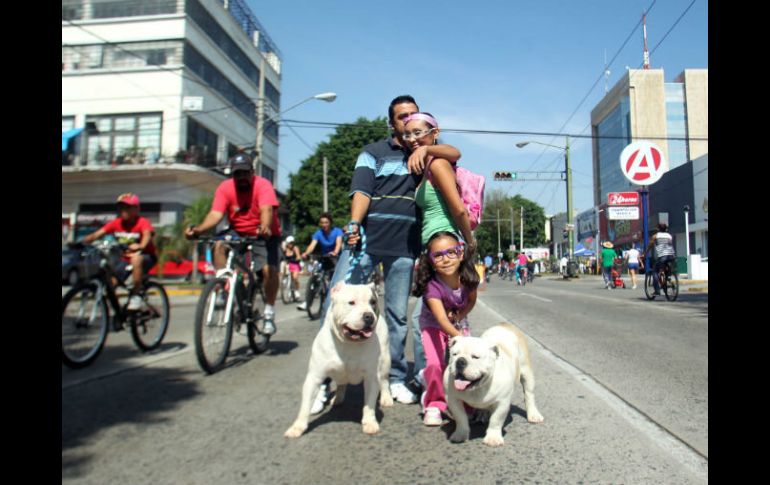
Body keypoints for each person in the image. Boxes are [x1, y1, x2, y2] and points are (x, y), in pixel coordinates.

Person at [312, 95, 463, 413]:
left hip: (404, 248)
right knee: (334, 305)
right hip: (366, 243)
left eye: (413, 115)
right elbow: (362, 192)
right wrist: (354, 224)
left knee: (396, 317)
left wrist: (427, 148)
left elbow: (454, 153)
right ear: (391, 122)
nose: (408, 122)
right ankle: (325, 382)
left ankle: (394, 377)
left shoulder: (425, 153)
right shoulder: (373, 153)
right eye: (401, 117)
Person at [404, 111, 477, 414]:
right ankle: (452, 395)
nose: (412, 139)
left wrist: (469, 243)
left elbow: (458, 208)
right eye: (407, 134)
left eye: (418, 132)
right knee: (445, 317)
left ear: (434, 132)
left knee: (432, 320)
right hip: (431, 251)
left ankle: (443, 396)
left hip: (444, 248)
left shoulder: (437, 162)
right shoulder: (423, 166)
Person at [185, 153, 282, 335]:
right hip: (238, 230)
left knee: (269, 271)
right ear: (232, 175)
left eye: (245, 173)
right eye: (238, 174)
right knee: (219, 244)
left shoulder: (263, 185)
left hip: (264, 232)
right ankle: (223, 284)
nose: (241, 178)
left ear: (252, 172)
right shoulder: (225, 188)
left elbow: (266, 210)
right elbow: (215, 215)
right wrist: (197, 230)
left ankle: (269, 312)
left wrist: (265, 226)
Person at [412, 231, 479, 425]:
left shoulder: (469, 278)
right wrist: (461, 337)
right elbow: (441, 319)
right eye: (438, 255)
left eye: (451, 252)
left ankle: (466, 401)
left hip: (458, 323)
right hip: (432, 325)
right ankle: (434, 403)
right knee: (435, 364)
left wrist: (460, 316)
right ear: (431, 261)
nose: (446, 259)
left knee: (464, 362)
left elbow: (471, 302)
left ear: (460, 254)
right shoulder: (432, 286)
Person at [80, 193, 157, 310]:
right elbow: (96, 234)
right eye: (120, 207)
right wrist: (81, 242)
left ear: (136, 209)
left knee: (136, 259)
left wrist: (141, 246)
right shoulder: (116, 223)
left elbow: (147, 235)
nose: (123, 210)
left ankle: (136, 296)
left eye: (127, 207)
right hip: (125, 260)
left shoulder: (142, 222)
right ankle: (118, 313)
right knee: (111, 283)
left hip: (146, 257)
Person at [297, 213, 344, 311]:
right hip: (323, 257)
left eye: (326, 222)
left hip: (335, 258)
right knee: (316, 275)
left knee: (334, 281)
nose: (324, 225)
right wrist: (306, 253)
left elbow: (338, 244)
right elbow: (312, 245)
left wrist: (335, 252)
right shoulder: (318, 233)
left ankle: (336, 302)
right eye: (322, 223)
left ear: (330, 223)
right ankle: (308, 301)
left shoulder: (337, 231)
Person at [643, 223, 676, 296]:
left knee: (655, 271)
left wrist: (645, 254)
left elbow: (650, 245)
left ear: (658, 229)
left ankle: (657, 290)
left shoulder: (655, 236)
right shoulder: (669, 236)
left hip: (662, 256)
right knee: (665, 269)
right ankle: (668, 278)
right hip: (671, 255)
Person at [282, 236, 302, 301]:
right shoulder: (285, 249)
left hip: (295, 264)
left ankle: (296, 291)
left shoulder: (295, 248)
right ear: (287, 243)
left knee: (295, 278)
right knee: (284, 265)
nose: (291, 244)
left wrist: (297, 259)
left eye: (292, 243)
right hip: (288, 264)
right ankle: (285, 278)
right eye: (290, 243)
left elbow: (298, 256)